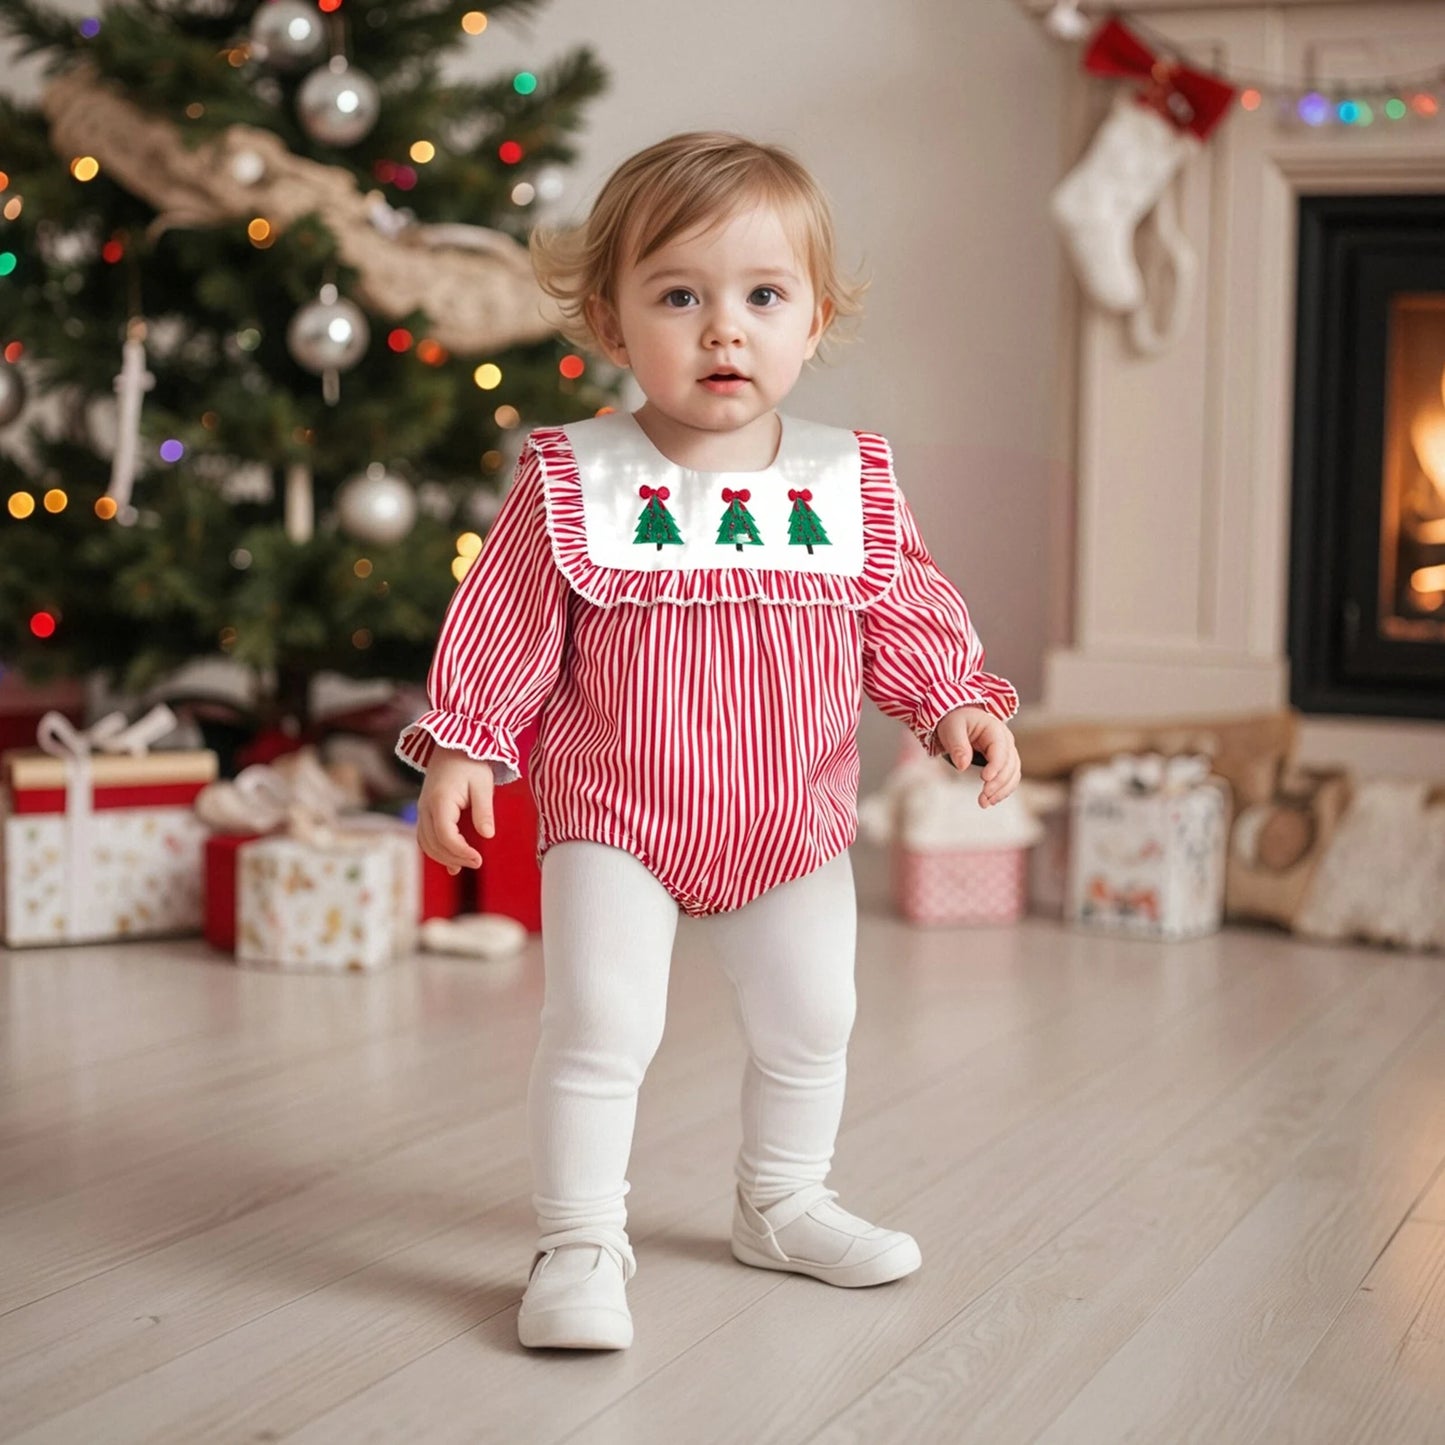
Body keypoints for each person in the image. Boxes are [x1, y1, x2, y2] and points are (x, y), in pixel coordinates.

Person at [398, 132, 1021, 1352]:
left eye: (761, 296)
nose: (722, 329)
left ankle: (780, 1198)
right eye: (678, 295)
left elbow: (901, 603)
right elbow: (507, 619)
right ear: (611, 323)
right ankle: (579, 1237)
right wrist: (469, 741)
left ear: (815, 318)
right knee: (598, 1022)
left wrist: (952, 698)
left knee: (812, 1017)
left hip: (786, 820)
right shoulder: (574, 476)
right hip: (615, 816)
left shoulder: (849, 482)